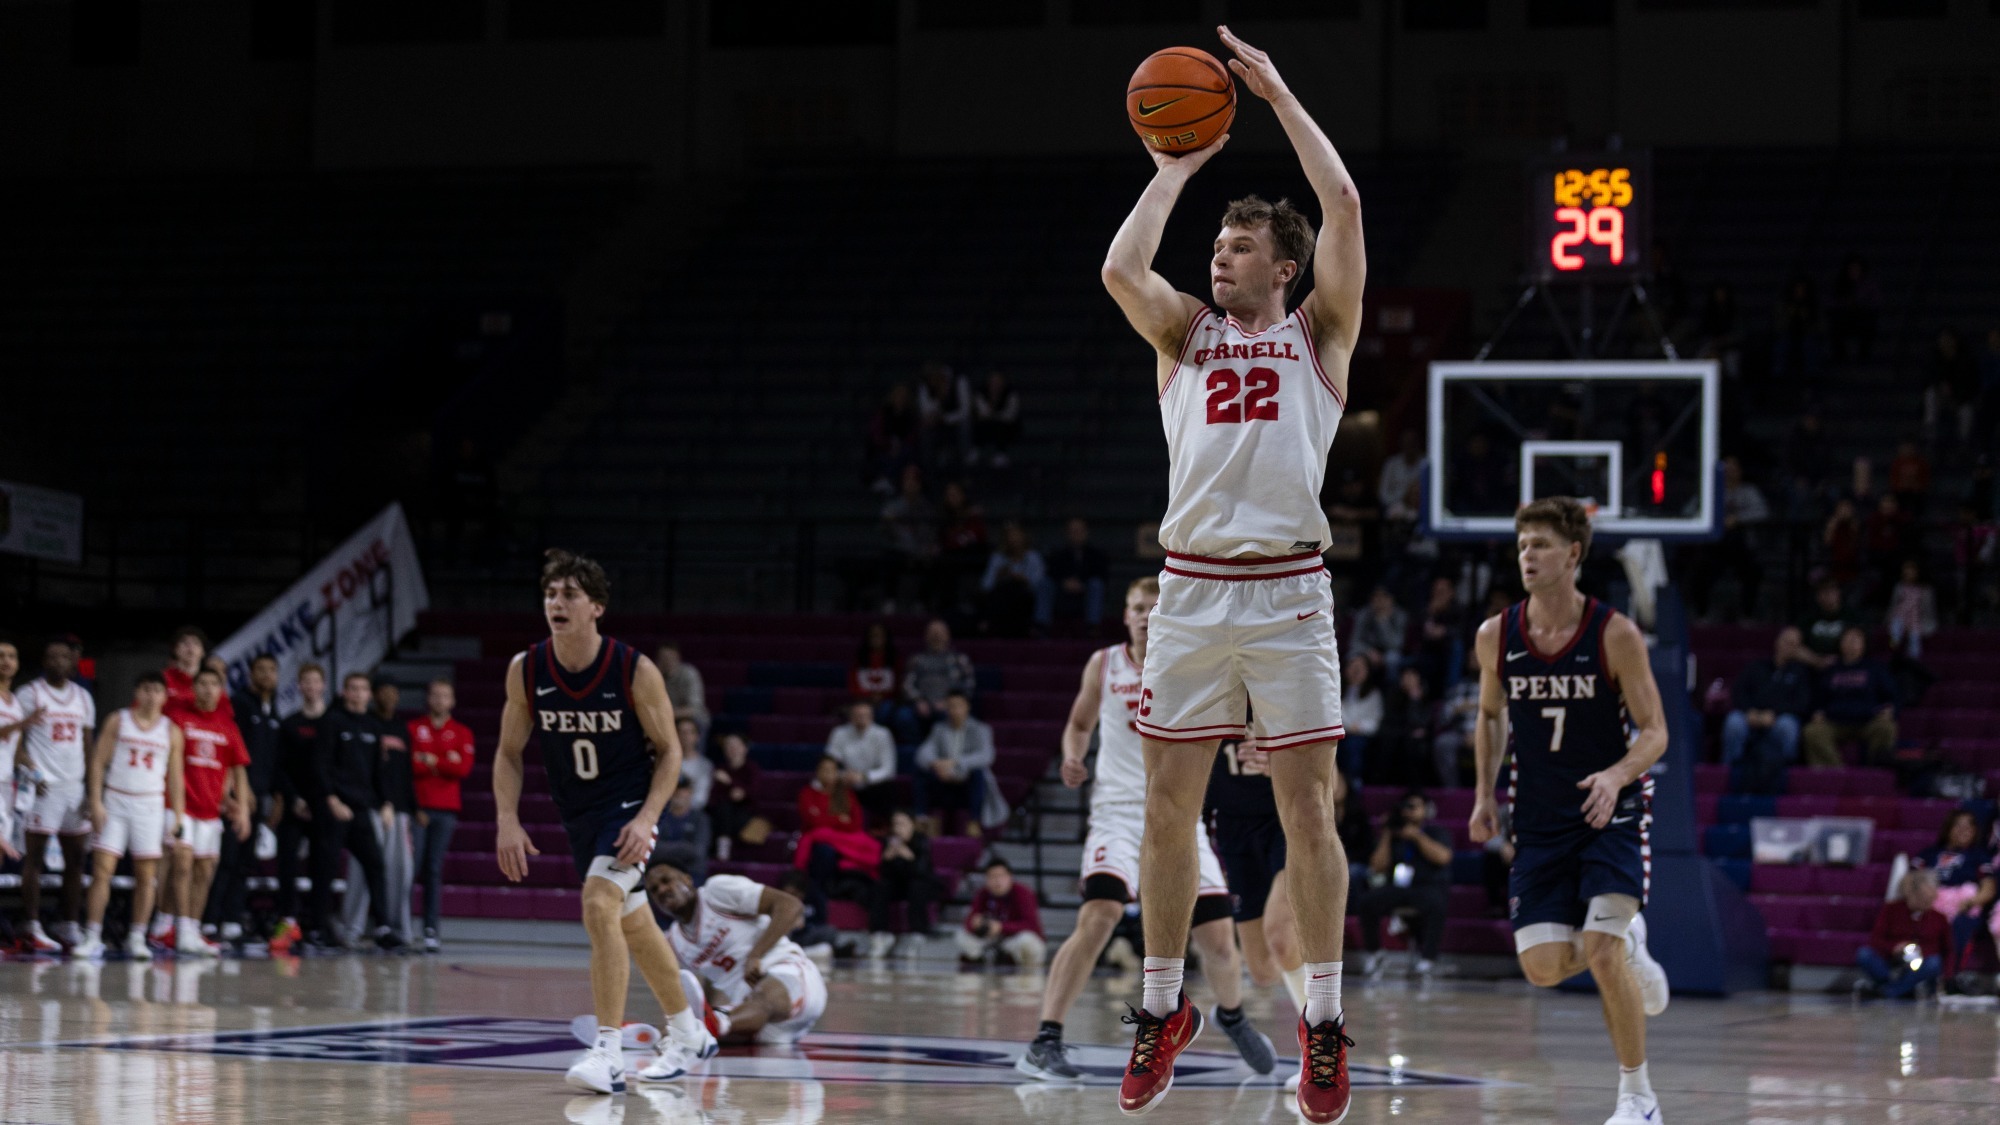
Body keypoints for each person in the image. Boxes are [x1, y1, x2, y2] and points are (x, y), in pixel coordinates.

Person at [1099, 27, 1363, 1118]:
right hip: (1192, 588)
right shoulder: (1181, 336)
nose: (1219, 255)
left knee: (1311, 812)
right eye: (1217, 242)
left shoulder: (1319, 335)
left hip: (1290, 589)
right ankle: (1164, 1006)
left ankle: (1325, 1022)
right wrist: (1173, 173)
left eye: (1241, 245)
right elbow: (1119, 268)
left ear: (1283, 268)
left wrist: (1281, 97)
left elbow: (1341, 204)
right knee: (1168, 809)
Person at [1017, 578, 1275, 1084]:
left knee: (1220, 940)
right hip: (1119, 810)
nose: (1142, 615)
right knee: (1100, 915)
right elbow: (1078, 724)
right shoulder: (1104, 663)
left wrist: (1254, 739)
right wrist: (1072, 755)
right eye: (1135, 607)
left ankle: (1233, 1016)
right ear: (1125, 615)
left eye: (1152, 608)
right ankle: (1045, 1038)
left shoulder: (1192, 662)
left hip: (1180, 812)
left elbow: (1242, 708)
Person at [1469, 497, 1673, 1125]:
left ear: (1574, 555)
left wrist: (1615, 776)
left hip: (1609, 813)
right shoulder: (1496, 634)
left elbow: (1655, 731)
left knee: (1601, 950)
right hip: (1538, 820)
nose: (1527, 555)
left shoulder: (1614, 632)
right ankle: (1626, 943)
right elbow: (1490, 715)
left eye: (1541, 545)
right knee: (1543, 968)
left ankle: (1639, 1100)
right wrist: (1483, 795)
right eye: (1523, 544)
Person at [491, 549, 715, 1093]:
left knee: (597, 903)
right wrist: (506, 818)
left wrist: (647, 818)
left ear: (596, 607)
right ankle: (689, 1031)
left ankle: (608, 1051)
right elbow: (509, 752)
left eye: (569, 594)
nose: (556, 603)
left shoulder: (633, 669)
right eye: (550, 594)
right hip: (579, 813)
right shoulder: (527, 669)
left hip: (629, 805)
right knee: (634, 924)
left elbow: (669, 752)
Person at [647, 865, 828, 1046]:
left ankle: (714, 1025)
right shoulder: (674, 942)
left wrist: (755, 955)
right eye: (654, 890)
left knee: (757, 1001)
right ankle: (707, 1026)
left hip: (791, 979)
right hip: (759, 1021)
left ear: (687, 879)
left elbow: (790, 905)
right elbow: (710, 979)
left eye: (666, 880)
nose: (662, 890)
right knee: (678, 1031)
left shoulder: (716, 891)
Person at [1206, 729, 1308, 1053]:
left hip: (1286, 819)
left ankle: (1320, 1041)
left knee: (1280, 935)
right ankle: (1315, 978)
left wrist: (1281, 765)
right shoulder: (1209, 694)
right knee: (1263, 971)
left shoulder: (1288, 688)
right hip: (1234, 829)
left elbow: (1334, 782)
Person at [73, 672, 185, 961]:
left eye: (157, 690)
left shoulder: (171, 730)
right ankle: (93, 935)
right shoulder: (118, 720)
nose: (151, 695)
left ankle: (137, 937)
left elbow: (175, 777)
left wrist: (179, 816)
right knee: (101, 871)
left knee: (147, 877)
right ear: (137, 692)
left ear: (165, 695)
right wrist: (96, 802)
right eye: (146, 689)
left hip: (149, 806)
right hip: (116, 801)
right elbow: (98, 763)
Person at [156, 667, 253, 957]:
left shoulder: (228, 726)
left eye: (215, 684)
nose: (209, 689)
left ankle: (191, 928)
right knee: (182, 864)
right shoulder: (178, 719)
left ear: (221, 691)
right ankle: (175, 927)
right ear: (194, 689)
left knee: (204, 870)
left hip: (211, 811)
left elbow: (239, 770)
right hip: (179, 805)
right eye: (203, 684)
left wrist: (244, 809)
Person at [15, 638, 99, 953]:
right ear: (43, 661)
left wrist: (92, 791)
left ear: (73, 662)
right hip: (43, 787)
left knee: (76, 859)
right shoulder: (29, 694)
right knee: (34, 859)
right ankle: (31, 923)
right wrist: (31, 772)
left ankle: (68, 923)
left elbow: (89, 747)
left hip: (74, 788)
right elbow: (16, 742)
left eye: (64, 656)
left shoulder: (83, 697)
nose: (58, 661)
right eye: (52, 656)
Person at [310, 672, 403, 953]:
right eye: (353, 688)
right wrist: (331, 799)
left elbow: (379, 770)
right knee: (324, 867)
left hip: (362, 809)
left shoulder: (373, 726)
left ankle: (383, 927)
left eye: (363, 689)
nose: (358, 693)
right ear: (344, 692)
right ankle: (318, 927)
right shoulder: (332, 720)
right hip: (336, 807)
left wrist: (386, 803)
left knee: (376, 863)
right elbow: (320, 763)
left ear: (369, 694)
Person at [334, 679, 415, 949]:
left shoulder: (402, 729)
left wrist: (394, 803)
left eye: (394, 692)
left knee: (399, 871)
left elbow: (400, 773)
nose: (389, 697)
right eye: (384, 691)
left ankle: (395, 929)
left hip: (394, 808)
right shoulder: (361, 724)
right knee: (362, 869)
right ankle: (352, 929)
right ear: (374, 696)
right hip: (367, 807)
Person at [209, 653, 283, 942]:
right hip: (238, 795)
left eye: (272, 669)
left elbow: (275, 759)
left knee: (245, 862)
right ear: (251, 674)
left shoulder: (273, 711)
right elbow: (231, 753)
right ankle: (211, 919)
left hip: (262, 796)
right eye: (261, 669)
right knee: (226, 858)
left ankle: (232, 917)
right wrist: (237, 792)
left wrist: (277, 796)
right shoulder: (240, 704)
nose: (266, 674)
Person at [1355, 790, 1453, 976]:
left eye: (1414, 807)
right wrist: (1386, 834)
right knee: (1367, 901)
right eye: (1405, 807)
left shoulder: (1435, 832)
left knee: (1437, 903)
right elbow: (1377, 866)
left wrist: (1417, 837)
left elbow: (1443, 857)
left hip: (1425, 887)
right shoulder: (1393, 834)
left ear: (1427, 810)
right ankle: (1375, 953)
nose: (1409, 811)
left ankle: (1428, 958)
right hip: (1398, 888)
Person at [409, 679, 474, 953]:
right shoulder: (413, 728)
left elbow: (463, 770)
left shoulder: (461, 732)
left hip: (446, 810)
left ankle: (431, 929)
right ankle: (401, 926)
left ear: (452, 701)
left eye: (444, 695)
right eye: (434, 694)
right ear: (428, 698)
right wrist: (444, 762)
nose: (439, 699)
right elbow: (409, 766)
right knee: (410, 870)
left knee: (433, 869)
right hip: (419, 809)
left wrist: (430, 761)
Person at [270, 663, 329, 951]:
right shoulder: (289, 723)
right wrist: (294, 799)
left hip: (323, 807)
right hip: (295, 806)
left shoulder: (333, 723)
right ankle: (288, 922)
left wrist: (322, 800)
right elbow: (279, 767)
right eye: (305, 681)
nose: (310, 686)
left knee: (322, 867)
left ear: (323, 686)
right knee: (287, 865)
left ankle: (318, 926)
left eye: (315, 681)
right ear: (300, 687)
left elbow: (338, 768)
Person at [1721, 627, 1815, 793]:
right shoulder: (1757, 666)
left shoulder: (1800, 673)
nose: (1789, 646)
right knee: (1734, 722)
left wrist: (1774, 714)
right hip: (1751, 716)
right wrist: (1749, 711)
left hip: (1778, 719)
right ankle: (1730, 766)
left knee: (1788, 726)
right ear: (1777, 642)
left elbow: (1802, 703)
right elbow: (1739, 691)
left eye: (1795, 644)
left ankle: (1784, 768)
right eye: (1787, 641)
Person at [1801, 627, 1899, 768]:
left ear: (1864, 645)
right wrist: (1816, 711)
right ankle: (1836, 772)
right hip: (1835, 720)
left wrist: (1891, 710)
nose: (1852, 643)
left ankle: (1876, 770)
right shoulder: (1831, 669)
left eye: (1856, 639)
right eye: (1848, 639)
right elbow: (1818, 697)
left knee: (1887, 727)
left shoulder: (1875, 668)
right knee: (1812, 731)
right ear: (1841, 643)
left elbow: (1892, 696)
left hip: (1868, 720)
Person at [1910, 810, 1997, 969]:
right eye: (1959, 825)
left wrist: (1970, 902)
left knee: (1962, 925)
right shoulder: (1929, 853)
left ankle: (1950, 974)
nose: (1964, 830)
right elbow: (1910, 881)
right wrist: (1922, 900)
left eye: (1969, 826)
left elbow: (1988, 888)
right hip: (1929, 902)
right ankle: (1916, 971)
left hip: (1962, 907)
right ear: (1948, 828)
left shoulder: (1979, 856)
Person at [1855, 869, 1952, 1000]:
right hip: (1891, 961)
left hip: (1918, 966)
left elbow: (1948, 950)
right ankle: (1902, 988)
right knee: (1864, 954)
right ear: (1912, 894)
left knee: (1934, 963)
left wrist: (1947, 976)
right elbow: (1876, 940)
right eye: (1923, 898)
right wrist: (1895, 947)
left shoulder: (1939, 918)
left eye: (1930, 899)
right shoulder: (1891, 910)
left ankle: (1888, 991)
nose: (1927, 904)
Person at [911, 690, 994, 836]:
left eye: (957, 706)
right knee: (921, 772)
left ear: (967, 706)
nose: (953, 710)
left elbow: (986, 756)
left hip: (966, 782)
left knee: (979, 773)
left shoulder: (980, 729)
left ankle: (974, 821)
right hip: (943, 780)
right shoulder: (939, 728)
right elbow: (923, 753)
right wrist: (936, 763)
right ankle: (921, 818)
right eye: (950, 706)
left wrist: (955, 764)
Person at [955, 859, 1046, 966]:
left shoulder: (1023, 893)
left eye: (1001, 876)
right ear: (986, 879)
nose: (997, 881)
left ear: (1010, 877)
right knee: (961, 935)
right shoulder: (983, 894)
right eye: (992, 877)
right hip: (993, 940)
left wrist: (1001, 927)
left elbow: (1031, 925)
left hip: (1015, 938)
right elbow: (969, 921)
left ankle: (1019, 962)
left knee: (1027, 941)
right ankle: (978, 959)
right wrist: (976, 923)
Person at [875, 810, 941, 951]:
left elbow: (923, 872)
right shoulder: (889, 842)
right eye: (896, 824)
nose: (899, 828)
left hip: (920, 884)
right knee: (881, 886)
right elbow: (884, 874)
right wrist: (887, 859)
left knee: (916, 886)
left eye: (903, 824)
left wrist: (909, 857)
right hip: (898, 886)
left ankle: (918, 932)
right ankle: (879, 933)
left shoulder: (921, 840)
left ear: (912, 825)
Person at [823, 700, 897, 821]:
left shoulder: (882, 734)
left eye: (865, 715)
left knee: (887, 787)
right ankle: (837, 824)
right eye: (858, 715)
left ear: (872, 716)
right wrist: (843, 776)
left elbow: (888, 769)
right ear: (851, 717)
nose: (861, 719)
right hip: (847, 782)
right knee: (830, 783)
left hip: (872, 783)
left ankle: (881, 827)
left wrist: (864, 777)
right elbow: (829, 761)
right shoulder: (839, 733)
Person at [979, 520, 1051, 637]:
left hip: (1025, 598)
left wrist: (1024, 579)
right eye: (1010, 536)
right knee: (1005, 590)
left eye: (1016, 535)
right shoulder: (997, 558)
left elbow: (1040, 585)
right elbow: (985, 586)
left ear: (1024, 537)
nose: (1013, 540)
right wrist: (998, 576)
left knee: (1017, 591)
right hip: (1002, 598)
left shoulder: (1034, 557)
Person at [902, 619, 976, 730]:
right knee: (903, 717)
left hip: (949, 704)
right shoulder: (916, 660)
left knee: (953, 713)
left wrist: (949, 702)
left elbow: (969, 684)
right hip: (921, 703)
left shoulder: (960, 660)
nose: (936, 637)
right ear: (926, 636)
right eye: (933, 633)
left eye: (940, 633)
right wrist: (918, 700)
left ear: (948, 636)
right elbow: (907, 684)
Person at [1046, 517, 1109, 630]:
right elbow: (1052, 573)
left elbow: (1101, 574)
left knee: (1096, 584)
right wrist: (1064, 582)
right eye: (1073, 531)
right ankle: (1041, 626)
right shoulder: (1057, 554)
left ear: (1086, 532)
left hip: (1086, 589)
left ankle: (1092, 627)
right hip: (1061, 590)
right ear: (1067, 533)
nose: (1076, 534)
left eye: (1079, 531)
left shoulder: (1096, 554)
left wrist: (1082, 583)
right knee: (1045, 584)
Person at [706, 732, 762, 855]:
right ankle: (723, 845)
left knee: (729, 814)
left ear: (745, 748)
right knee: (723, 810)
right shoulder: (720, 769)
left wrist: (731, 782)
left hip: (745, 812)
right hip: (723, 812)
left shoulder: (752, 769)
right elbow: (713, 797)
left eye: (736, 745)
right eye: (728, 745)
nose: (732, 749)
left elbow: (753, 793)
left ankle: (723, 844)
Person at [654, 778, 711, 883]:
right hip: (661, 874)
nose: (679, 793)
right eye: (675, 789)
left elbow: (699, 852)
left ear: (690, 792)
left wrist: (668, 849)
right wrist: (684, 846)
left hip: (692, 873)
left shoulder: (700, 818)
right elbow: (653, 849)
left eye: (684, 790)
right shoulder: (659, 817)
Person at [1337, 655, 1383, 781]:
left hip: (1361, 735)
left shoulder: (1373, 694)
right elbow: (1336, 713)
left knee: (1354, 745)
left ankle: (1354, 782)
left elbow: (1374, 722)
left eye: (1361, 668)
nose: (1356, 671)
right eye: (1353, 666)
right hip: (1340, 733)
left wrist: (1360, 727)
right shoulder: (1336, 690)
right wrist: (1349, 727)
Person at [1797, 580, 1860, 670]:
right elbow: (1792, 642)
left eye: (1831, 591)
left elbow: (1858, 644)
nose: (1828, 595)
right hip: (1810, 664)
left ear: (1839, 593)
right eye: (1823, 591)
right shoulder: (1808, 618)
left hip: (1843, 666)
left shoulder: (1852, 616)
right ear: (1817, 596)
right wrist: (1817, 661)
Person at [1349, 586, 1408, 678]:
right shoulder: (1364, 614)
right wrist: (1369, 651)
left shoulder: (1400, 616)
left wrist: (1383, 622)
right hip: (1367, 650)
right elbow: (1354, 641)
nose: (1380, 601)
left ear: (1391, 599)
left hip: (1388, 652)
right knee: (1352, 656)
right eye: (1376, 597)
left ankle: (1390, 689)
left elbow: (1397, 644)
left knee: (1393, 659)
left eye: (1384, 597)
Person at [655, 642, 709, 740]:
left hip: (690, 718)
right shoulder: (655, 675)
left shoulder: (689, 674)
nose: (667, 661)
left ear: (677, 657)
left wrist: (667, 713)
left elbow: (694, 709)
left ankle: (693, 755)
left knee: (691, 725)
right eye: (663, 658)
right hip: (667, 719)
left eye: (670, 657)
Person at [1886, 560, 1937, 661]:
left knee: (1914, 641)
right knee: (1895, 632)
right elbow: (1893, 605)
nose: (1908, 573)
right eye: (1906, 570)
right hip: (1900, 617)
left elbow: (1928, 610)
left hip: (1916, 619)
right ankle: (1893, 648)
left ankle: (1913, 661)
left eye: (1911, 570)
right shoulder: (1899, 587)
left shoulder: (1925, 590)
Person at [971, 369, 1021, 468]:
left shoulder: (1011, 395)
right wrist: (992, 406)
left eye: (999, 381)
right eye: (993, 381)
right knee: (980, 424)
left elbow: (1009, 416)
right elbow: (983, 413)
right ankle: (976, 451)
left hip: (1006, 428)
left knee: (1001, 425)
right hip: (987, 426)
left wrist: (993, 415)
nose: (996, 384)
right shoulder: (981, 393)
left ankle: (1001, 453)